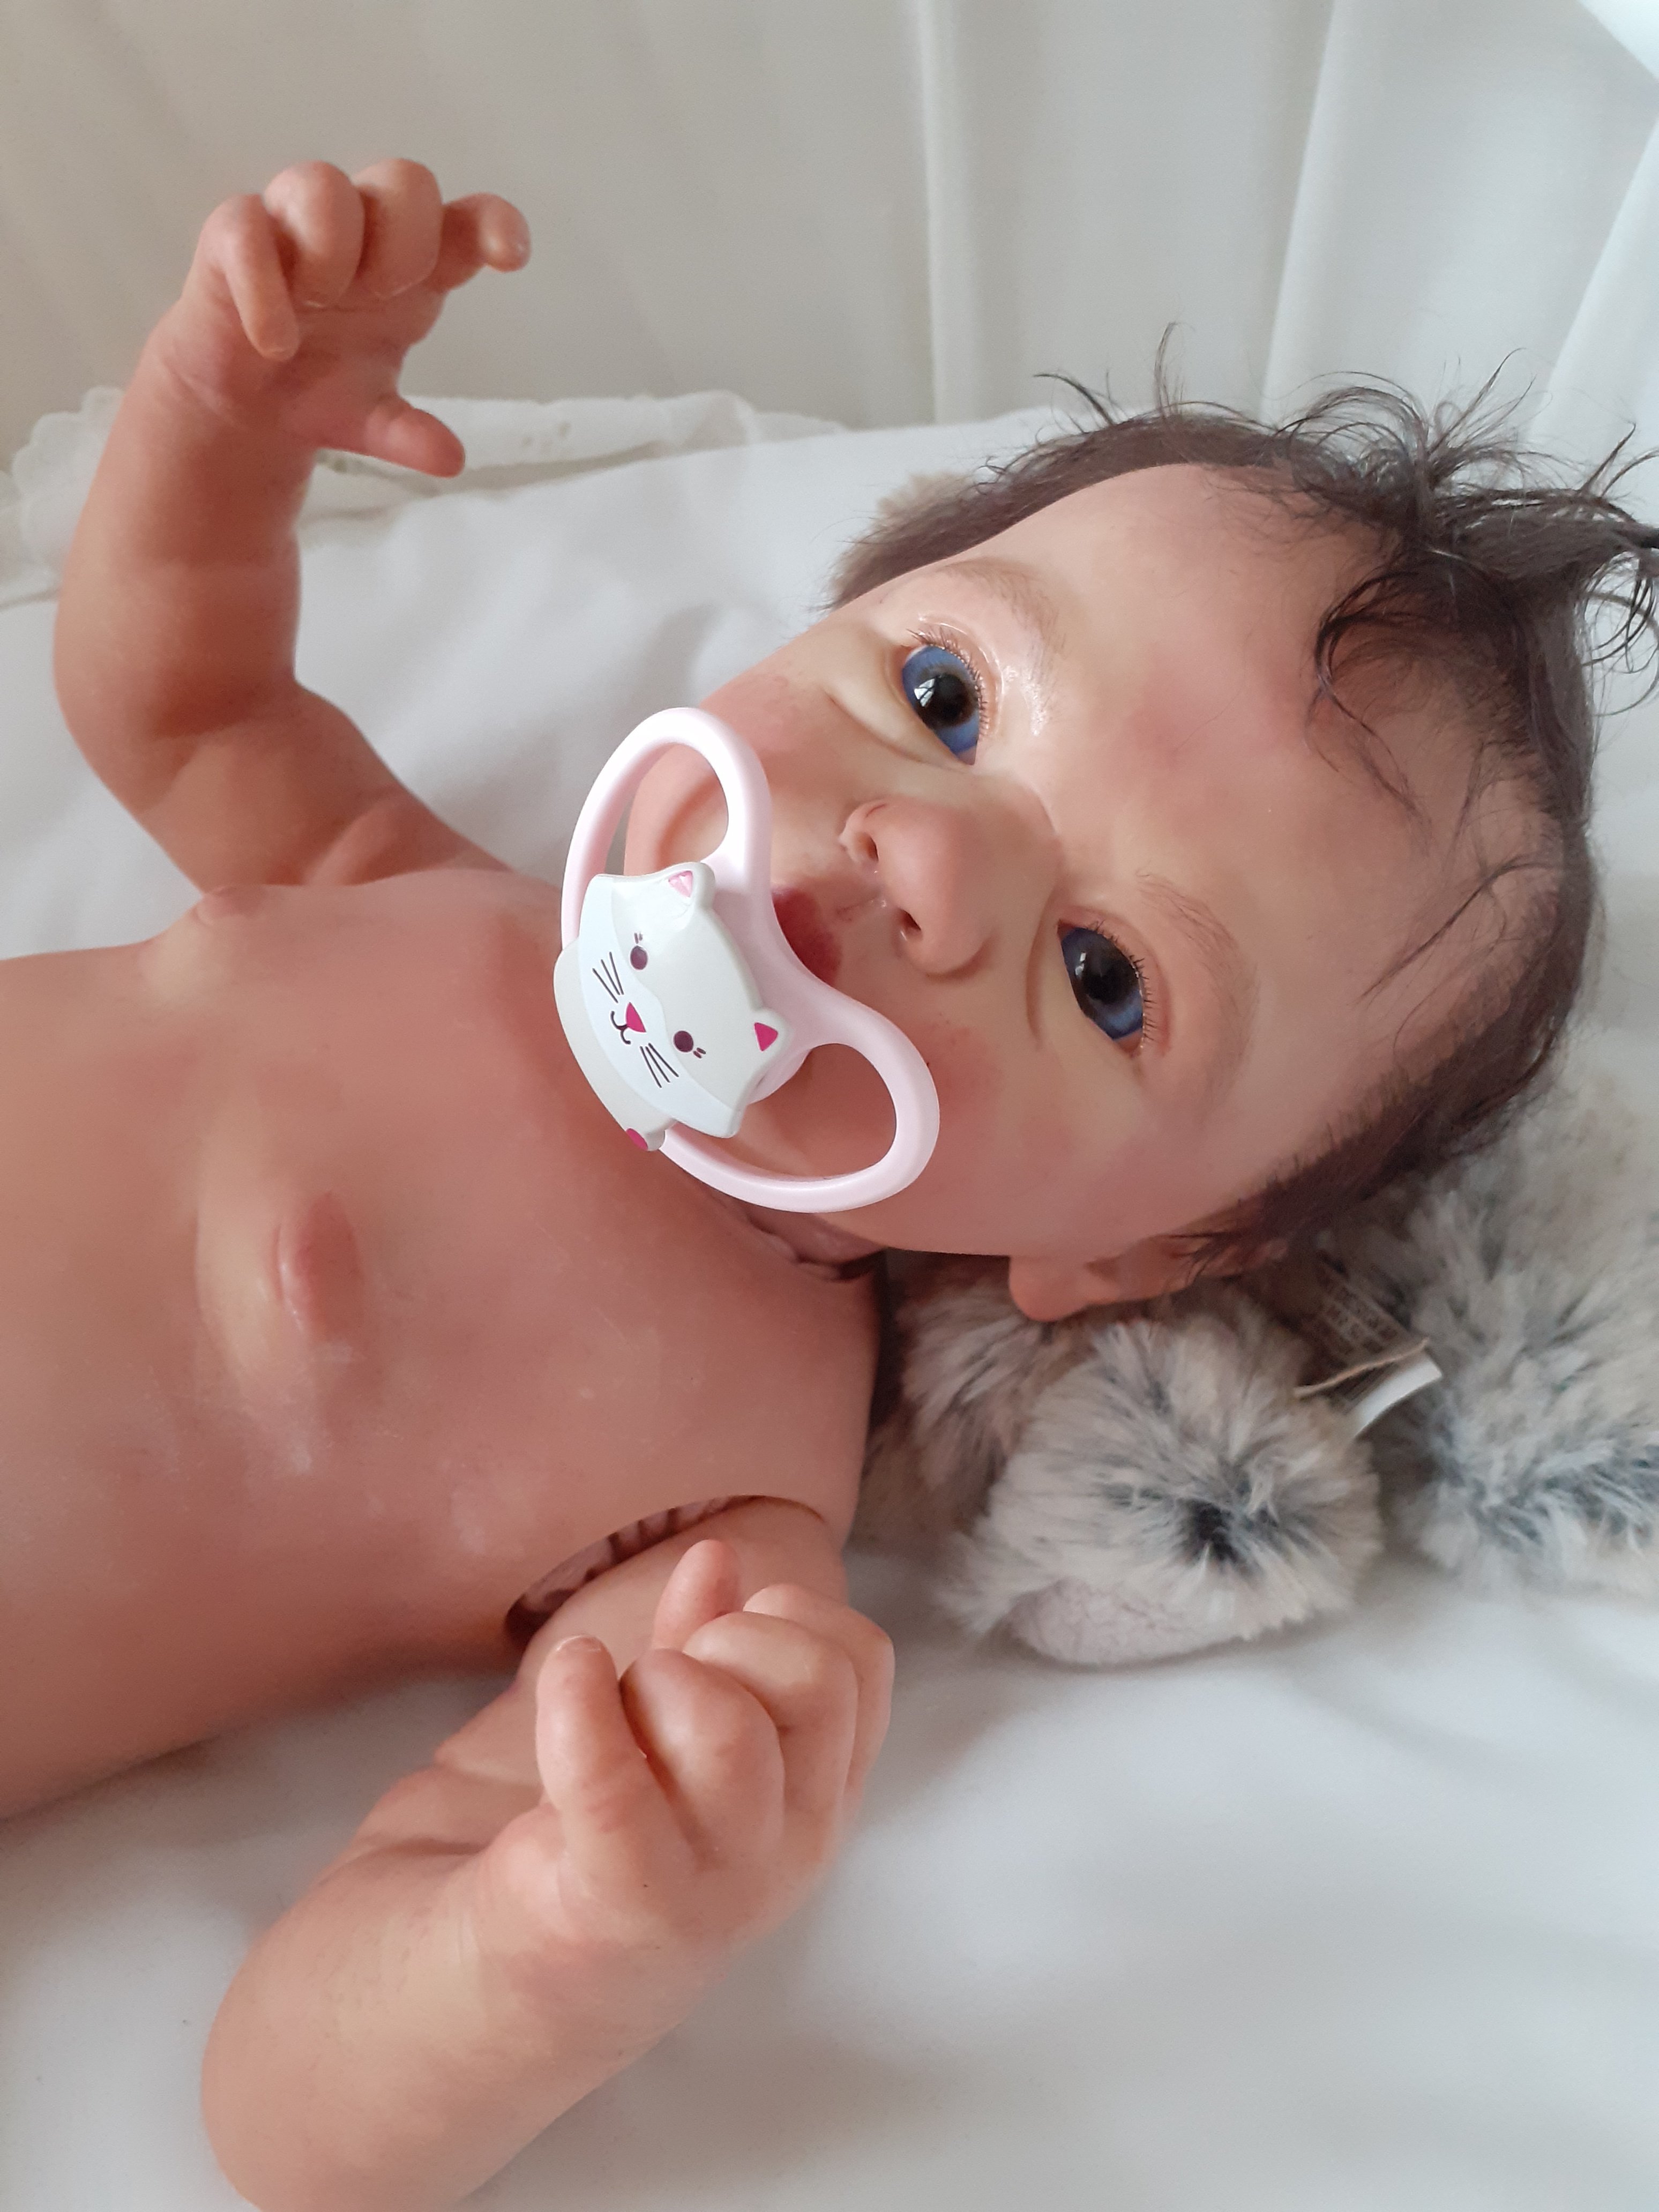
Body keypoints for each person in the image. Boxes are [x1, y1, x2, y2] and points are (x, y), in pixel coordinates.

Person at [19, 156, 1654, 2208]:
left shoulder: (725, 1510)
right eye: (945, 698)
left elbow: (290, 2128)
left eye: (1105, 976)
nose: (929, 859)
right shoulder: (422, 896)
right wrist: (225, 416)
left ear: (1123, 1253)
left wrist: (557, 1945)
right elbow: (175, 697)